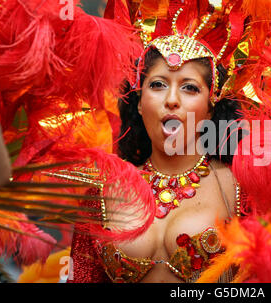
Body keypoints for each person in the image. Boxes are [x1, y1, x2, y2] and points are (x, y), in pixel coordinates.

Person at [68, 0, 248, 283]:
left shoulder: (241, 189)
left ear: (211, 107)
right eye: (157, 84)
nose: (172, 99)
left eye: (189, 87)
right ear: (139, 103)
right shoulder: (103, 193)